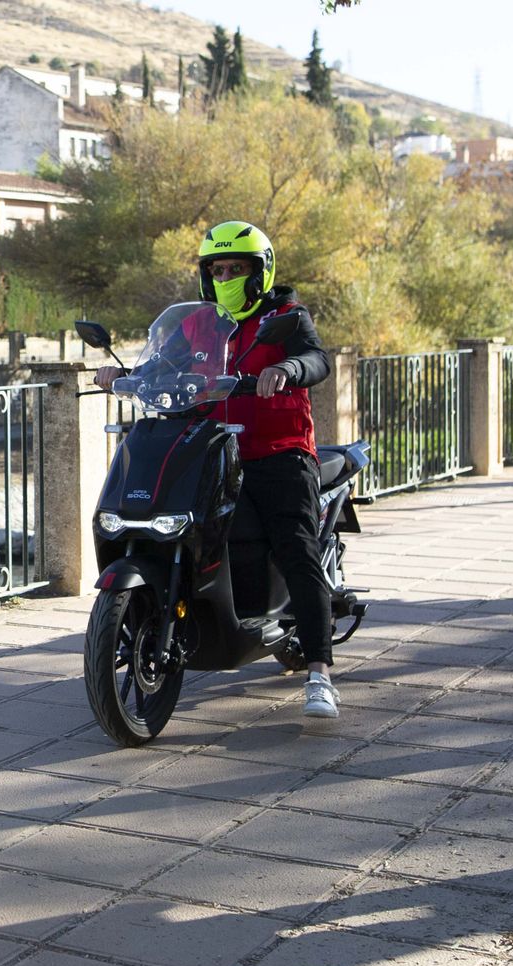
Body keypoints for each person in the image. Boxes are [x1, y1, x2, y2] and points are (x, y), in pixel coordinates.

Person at [95, 221, 339, 718]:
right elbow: (161, 364)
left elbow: (316, 359)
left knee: (295, 548)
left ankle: (319, 673)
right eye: (218, 268)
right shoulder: (199, 324)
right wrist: (126, 377)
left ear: (260, 272)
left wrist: (287, 370)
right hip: (212, 451)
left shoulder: (287, 315)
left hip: (278, 450)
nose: (226, 275)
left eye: (237, 268)